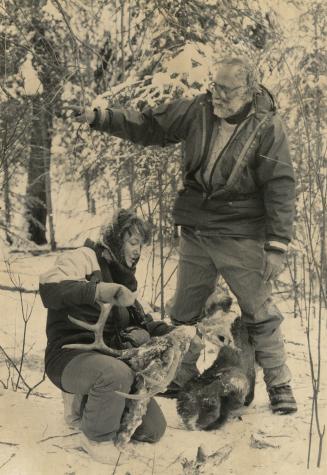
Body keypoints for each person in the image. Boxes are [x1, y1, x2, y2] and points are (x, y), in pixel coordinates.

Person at [72, 56, 297, 414]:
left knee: (259, 312)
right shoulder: (199, 110)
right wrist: (101, 117)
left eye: (226, 89)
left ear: (249, 90)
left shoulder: (267, 127)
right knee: (185, 314)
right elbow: (149, 126)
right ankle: (180, 378)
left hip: (241, 234)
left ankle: (280, 383)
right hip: (196, 230)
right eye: (215, 86)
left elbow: (281, 186)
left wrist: (277, 244)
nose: (217, 95)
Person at [39, 209, 173, 464]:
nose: (137, 251)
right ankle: (95, 437)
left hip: (107, 358)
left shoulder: (125, 280)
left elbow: (144, 322)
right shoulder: (84, 258)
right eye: (132, 242)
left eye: (141, 245)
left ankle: (92, 402)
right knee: (116, 374)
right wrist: (99, 290)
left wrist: (178, 333)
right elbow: (50, 290)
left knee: (152, 429)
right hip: (68, 356)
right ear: (114, 239)